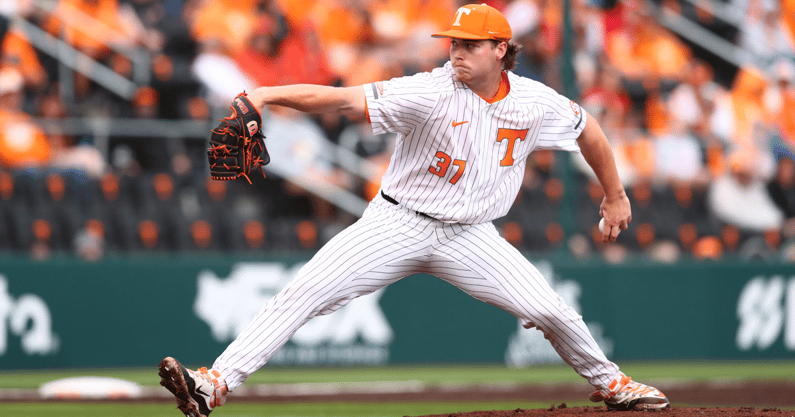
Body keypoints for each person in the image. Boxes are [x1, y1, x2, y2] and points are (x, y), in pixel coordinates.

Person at [158, 4, 670, 416]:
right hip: (397, 222)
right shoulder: (427, 90)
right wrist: (265, 94)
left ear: (500, 50)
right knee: (306, 289)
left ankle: (613, 384)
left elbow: (590, 132)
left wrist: (615, 193)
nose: (457, 52)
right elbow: (337, 99)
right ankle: (214, 384)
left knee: (549, 309)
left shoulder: (535, 101)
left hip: (472, 235)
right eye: (453, 42)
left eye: (470, 44)